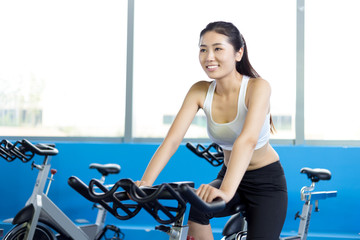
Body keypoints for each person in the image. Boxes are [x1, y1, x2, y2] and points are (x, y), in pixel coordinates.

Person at [136, 21, 287, 240]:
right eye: (203, 49)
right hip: (229, 174)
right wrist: (145, 184)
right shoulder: (199, 91)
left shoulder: (258, 87)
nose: (209, 57)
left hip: (266, 182)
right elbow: (172, 140)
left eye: (218, 49)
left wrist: (226, 191)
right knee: (199, 207)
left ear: (238, 53)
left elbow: (247, 141)